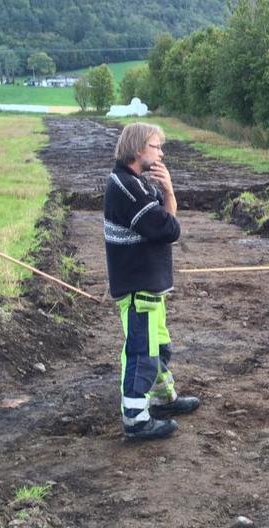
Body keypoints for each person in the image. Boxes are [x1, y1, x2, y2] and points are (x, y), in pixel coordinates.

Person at [104, 122, 200, 440]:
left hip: (150, 287)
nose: (161, 154)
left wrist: (168, 192)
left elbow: (167, 220)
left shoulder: (139, 184)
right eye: (157, 147)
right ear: (138, 148)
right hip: (137, 288)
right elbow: (168, 229)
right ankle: (135, 419)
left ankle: (161, 400)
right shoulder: (126, 186)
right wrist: (169, 194)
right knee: (141, 353)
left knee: (159, 347)